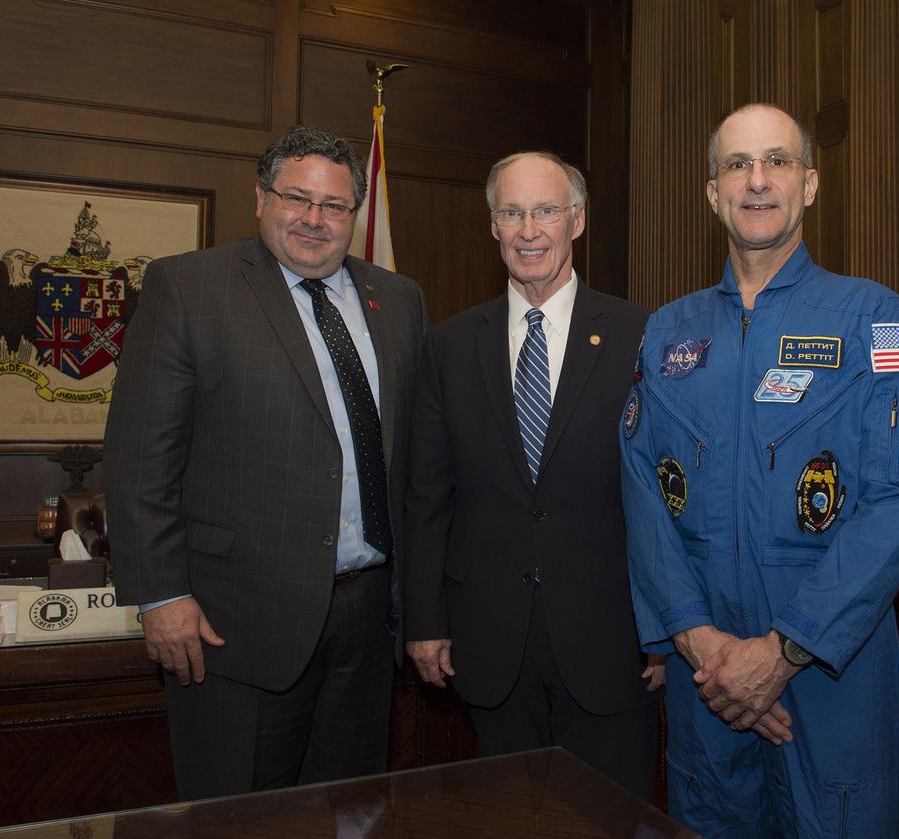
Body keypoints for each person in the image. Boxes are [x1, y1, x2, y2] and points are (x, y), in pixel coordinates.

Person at [621, 103, 899, 839]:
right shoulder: (668, 334)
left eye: (776, 162)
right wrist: (700, 642)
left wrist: (786, 649)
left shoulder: (875, 319)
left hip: (833, 672)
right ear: (712, 192)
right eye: (737, 164)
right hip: (708, 684)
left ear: (810, 184)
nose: (756, 179)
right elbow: (640, 492)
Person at [104, 126, 428, 799]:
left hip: (367, 622)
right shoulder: (189, 289)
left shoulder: (398, 301)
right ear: (260, 198)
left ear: (355, 214)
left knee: (350, 822)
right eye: (296, 198)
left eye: (334, 205)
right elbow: (141, 461)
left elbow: (413, 457)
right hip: (234, 624)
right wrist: (161, 595)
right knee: (238, 836)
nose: (314, 219)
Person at [405, 151, 663, 799]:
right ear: (492, 225)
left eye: (545, 211)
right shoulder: (449, 345)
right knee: (506, 832)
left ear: (576, 220)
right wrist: (424, 619)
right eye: (512, 213)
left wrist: (666, 623)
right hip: (488, 638)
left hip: (613, 637)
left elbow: (667, 493)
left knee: (613, 832)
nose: (529, 230)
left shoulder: (642, 335)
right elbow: (427, 495)